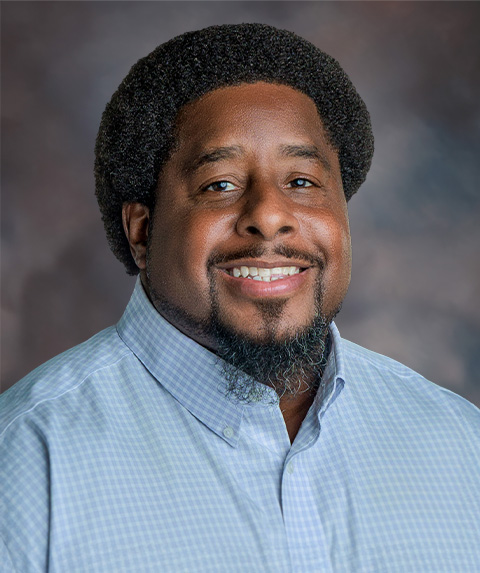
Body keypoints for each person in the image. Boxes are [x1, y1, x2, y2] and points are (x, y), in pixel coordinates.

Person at [1, 23, 478, 573]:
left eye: (302, 182)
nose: (270, 216)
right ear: (142, 232)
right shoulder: (28, 463)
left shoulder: (461, 445)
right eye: (220, 185)